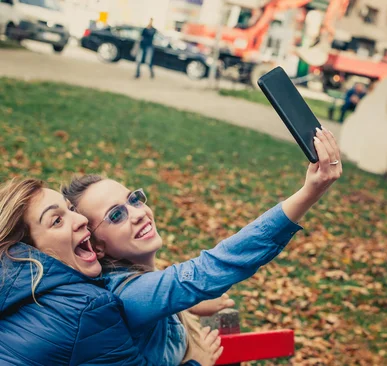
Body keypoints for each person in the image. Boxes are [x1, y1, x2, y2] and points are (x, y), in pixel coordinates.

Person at [62, 127, 343, 365]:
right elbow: (212, 267)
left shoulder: (137, 284)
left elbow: (165, 292)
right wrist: (309, 192)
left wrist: (187, 306)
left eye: (133, 199)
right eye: (116, 215)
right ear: (96, 246)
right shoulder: (128, 295)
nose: (137, 213)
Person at [0, 178, 219, 365]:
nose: (82, 220)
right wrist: (198, 362)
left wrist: (180, 300)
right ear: (27, 250)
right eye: (57, 220)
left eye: (70, 209)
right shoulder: (86, 308)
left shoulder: (19, 294)